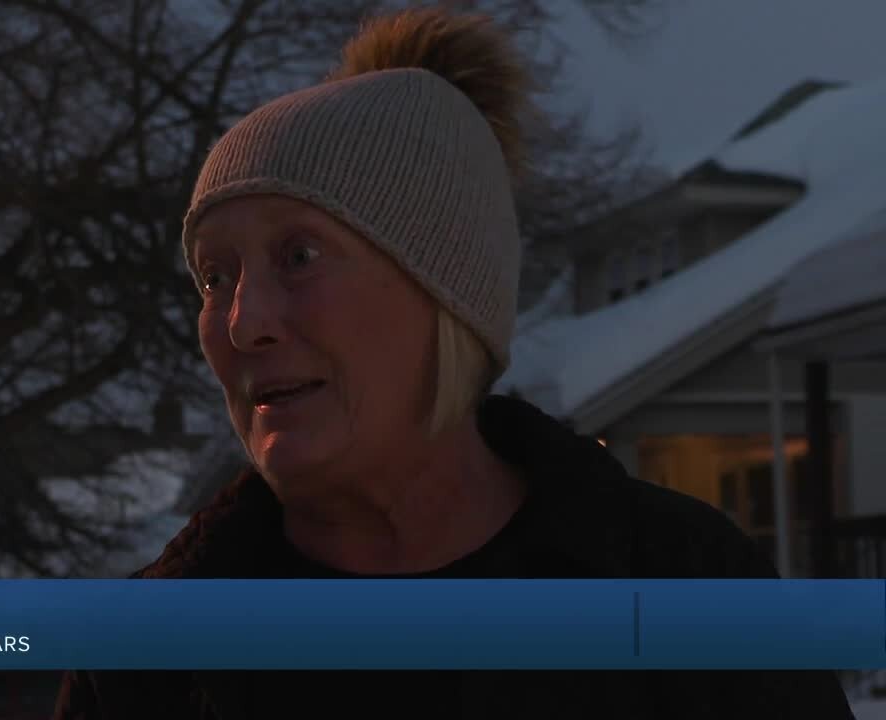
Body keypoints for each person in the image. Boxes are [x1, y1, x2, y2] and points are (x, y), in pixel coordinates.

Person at [53, 7, 854, 719]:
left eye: (298, 255)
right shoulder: (145, 659)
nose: (243, 321)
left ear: (442, 291)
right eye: (214, 277)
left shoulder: (687, 592)